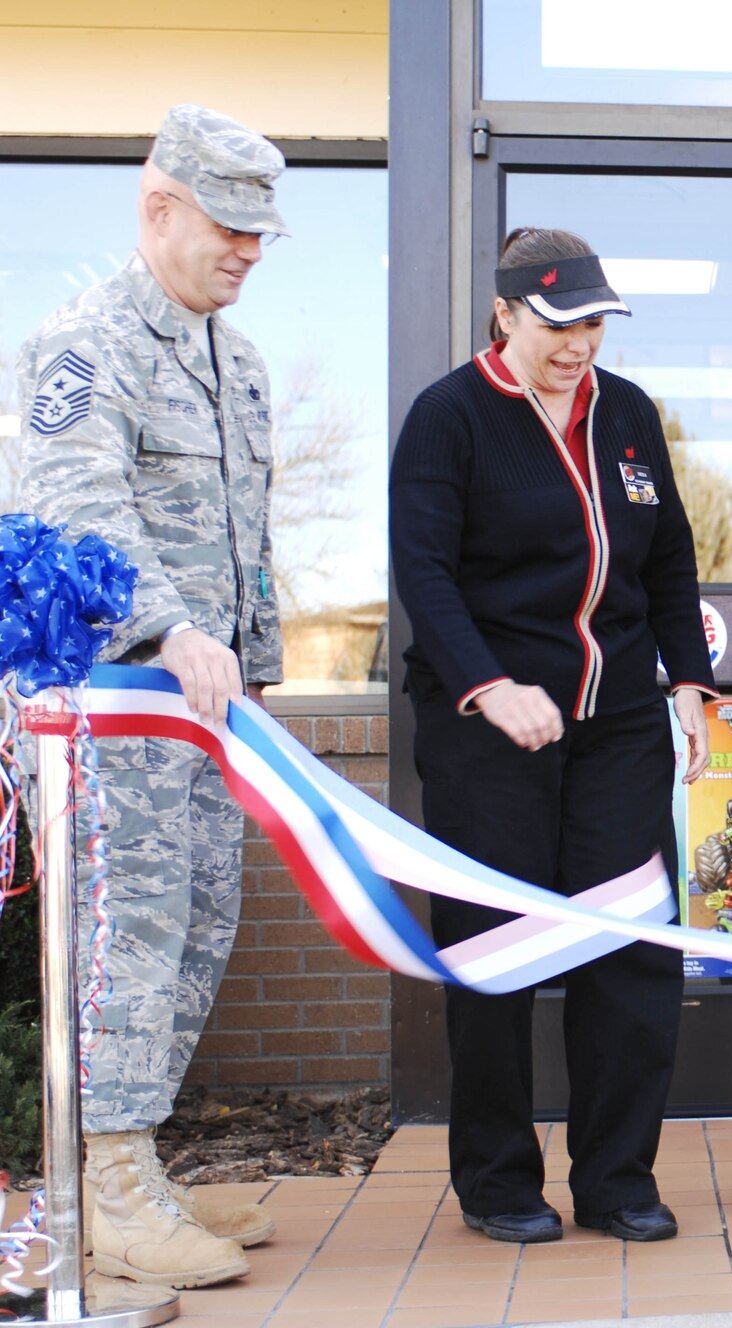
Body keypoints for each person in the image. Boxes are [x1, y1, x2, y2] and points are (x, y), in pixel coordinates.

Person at [389, 227, 717, 1243]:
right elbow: (425, 572)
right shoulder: (451, 417)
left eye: (594, 321)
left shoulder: (626, 414)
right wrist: (487, 683)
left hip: (617, 719)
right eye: (559, 322)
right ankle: (497, 1180)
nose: (580, 342)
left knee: (630, 948)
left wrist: (690, 685)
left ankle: (617, 1177)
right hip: (493, 731)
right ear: (506, 314)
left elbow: (666, 561)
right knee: (501, 948)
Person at [16, 103, 290, 1289]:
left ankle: (141, 1165)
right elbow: (80, 508)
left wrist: (258, 664)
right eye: (228, 224)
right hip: (116, 701)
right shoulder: (85, 345)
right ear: (158, 203)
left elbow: (249, 538)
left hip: (205, 712)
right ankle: (107, 1186)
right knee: (131, 932)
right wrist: (173, 624)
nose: (246, 249)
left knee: (200, 924)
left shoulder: (239, 360)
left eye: (260, 233)